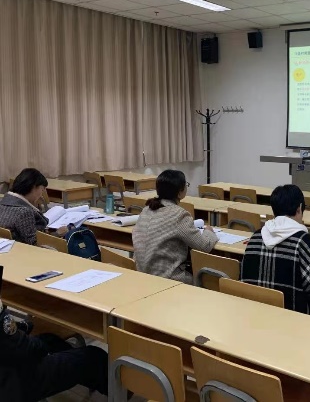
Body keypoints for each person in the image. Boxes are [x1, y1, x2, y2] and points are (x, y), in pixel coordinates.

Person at [0, 266, 108, 401]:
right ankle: (121, 391)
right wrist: (40, 347)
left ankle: (81, 371)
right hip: (12, 382)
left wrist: (22, 328)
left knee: (50, 339)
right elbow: (24, 349)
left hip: (8, 363)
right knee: (93, 357)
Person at [241, 184, 310, 320]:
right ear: (299, 208)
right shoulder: (302, 240)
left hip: (257, 314)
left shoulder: (256, 236)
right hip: (295, 319)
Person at [133, 169, 218, 284]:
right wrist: (209, 231)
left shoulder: (147, 209)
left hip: (141, 275)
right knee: (207, 279)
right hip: (167, 279)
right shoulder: (179, 214)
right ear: (179, 192)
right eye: (186, 185)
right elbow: (204, 246)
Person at [0, 168, 67, 245]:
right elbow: (35, 242)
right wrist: (57, 234)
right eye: (42, 190)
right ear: (34, 187)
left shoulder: (4, 203)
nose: (41, 194)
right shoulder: (24, 212)